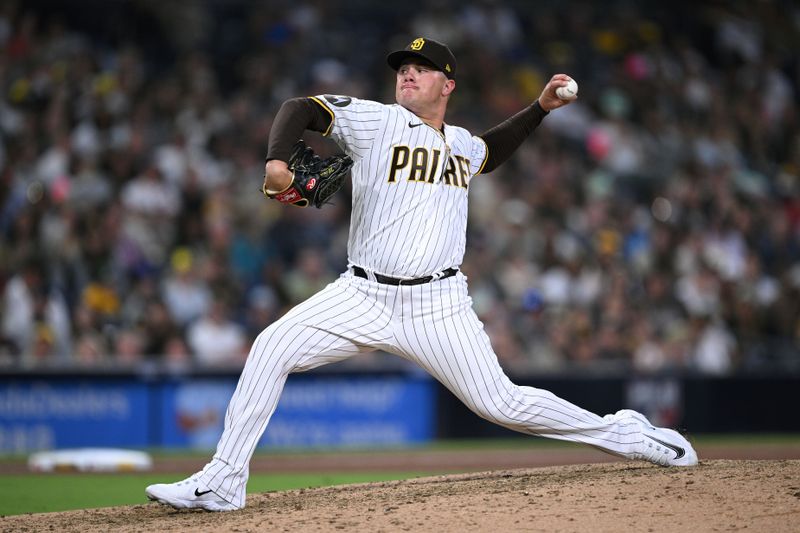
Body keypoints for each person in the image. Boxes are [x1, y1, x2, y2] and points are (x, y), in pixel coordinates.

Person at [146, 37, 697, 512]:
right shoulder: (376, 120)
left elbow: (491, 151)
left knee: (502, 404)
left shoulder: (459, 143)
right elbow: (301, 107)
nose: (407, 73)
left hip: (439, 305)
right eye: (402, 68)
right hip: (360, 293)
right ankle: (223, 482)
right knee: (270, 347)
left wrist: (540, 108)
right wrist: (277, 160)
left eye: (422, 68)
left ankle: (625, 433)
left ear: (448, 85)